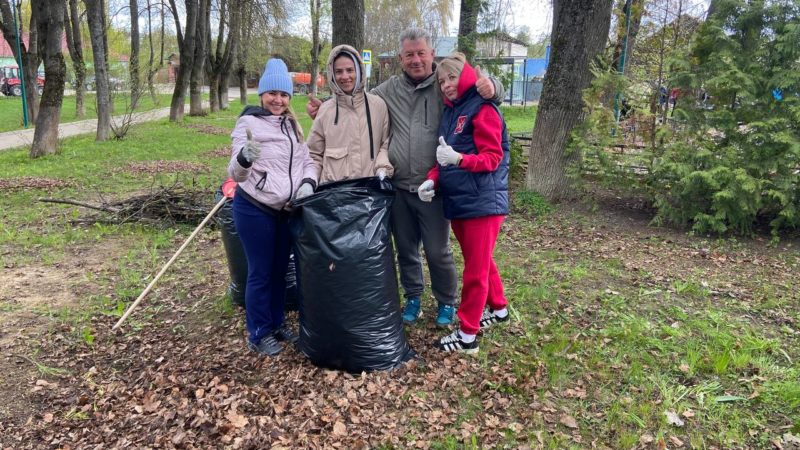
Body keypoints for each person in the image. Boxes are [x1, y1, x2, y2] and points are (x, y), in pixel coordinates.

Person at [307, 28, 504, 328]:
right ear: (401, 58)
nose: (415, 60)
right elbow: (354, 97)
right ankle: (413, 296)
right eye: (409, 55)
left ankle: (445, 300)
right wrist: (325, 104)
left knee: (438, 251)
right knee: (406, 249)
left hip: (435, 187)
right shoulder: (388, 90)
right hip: (399, 187)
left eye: (421, 53)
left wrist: (496, 87)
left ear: (431, 54)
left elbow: (478, 91)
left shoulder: (444, 84)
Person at [417, 53, 510, 354]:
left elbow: (492, 158)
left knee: (475, 270)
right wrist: (433, 178)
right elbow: (443, 157)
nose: (446, 85)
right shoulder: (451, 112)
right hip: (461, 202)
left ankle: (467, 334)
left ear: (467, 75)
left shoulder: (482, 108)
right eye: (441, 80)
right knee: (481, 261)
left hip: (482, 201)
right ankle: (499, 310)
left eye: (452, 77)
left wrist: (459, 159)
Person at [228, 58, 317, 356]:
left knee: (280, 269)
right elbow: (236, 174)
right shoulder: (248, 122)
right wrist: (245, 157)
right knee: (261, 271)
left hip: (285, 210)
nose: (277, 100)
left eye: (283, 94)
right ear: (262, 94)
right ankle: (258, 331)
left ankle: (277, 323)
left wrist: (308, 182)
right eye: (272, 94)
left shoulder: (291, 124)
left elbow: (306, 160)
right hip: (255, 208)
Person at [304, 44, 392, 186]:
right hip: (333, 196)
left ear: (359, 71)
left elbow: (385, 145)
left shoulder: (378, 106)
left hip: (370, 192)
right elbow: (314, 155)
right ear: (332, 74)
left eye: (350, 70)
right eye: (339, 71)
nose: (345, 76)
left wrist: (382, 169)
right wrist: (309, 182)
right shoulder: (325, 110)